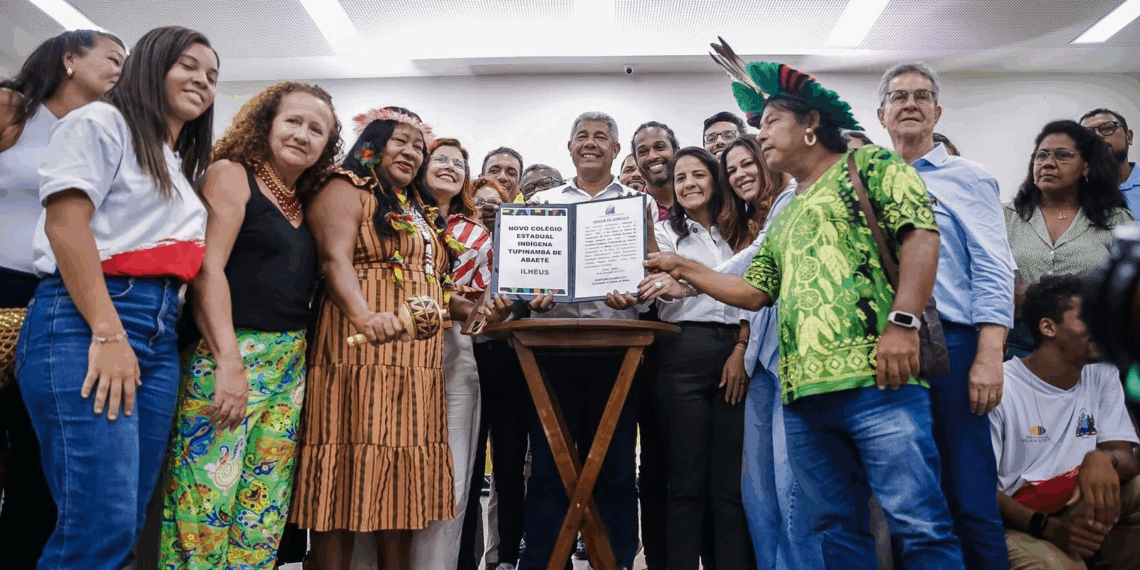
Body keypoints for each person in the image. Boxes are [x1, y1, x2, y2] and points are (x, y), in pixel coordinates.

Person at [647, 57, 966, 568]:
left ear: (812, 124)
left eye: (771, 122)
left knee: (919, 523)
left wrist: (902, 322)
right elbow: (753, 291)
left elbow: (921, 236)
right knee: (833, 530)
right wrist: (681, 265)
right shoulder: (789, 210)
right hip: (803, 398)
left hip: (879, 384)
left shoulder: (873, 167)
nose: (760, 136)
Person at [15, 26, 217, 570]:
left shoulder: (174, 162)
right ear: (150, 66)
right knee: (97, 526)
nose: (202, 80)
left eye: (212, 76)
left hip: (156, 327)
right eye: (189, 65)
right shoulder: (101, 120)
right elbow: (65, 226)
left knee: (123, 522)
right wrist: (107, 331)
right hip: (88, 318)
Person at [288, 106, 507, 570]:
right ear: (371, 144)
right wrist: (365, 316)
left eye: (417, 146)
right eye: (399, 141)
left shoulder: (415, 206)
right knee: (344, 483)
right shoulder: (346, 187)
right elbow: (334, 260)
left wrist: (477, 307)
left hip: (417, 363)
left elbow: (435, 285)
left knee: (402, 489)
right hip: (358, 353)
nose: (411, 152)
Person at [157, 81, 338, 570]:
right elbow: (207, 270)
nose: (303, 134)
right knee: (204, 510)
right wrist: (229, 363)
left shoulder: (307, 199)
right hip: (229, 354)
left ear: (327, 145)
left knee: (262, 511)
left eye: (316, 129)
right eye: (293, 121)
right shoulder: (232, 174)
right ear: (267, 124)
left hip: (288, 364)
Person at [879, 62, 1016, 570]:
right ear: (882, 114)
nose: (910, 104)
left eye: (921, 96)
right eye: (899, 97)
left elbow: (995, 268)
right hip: (889, 351)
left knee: (969, 493)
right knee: (910, 500)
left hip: (956, 348)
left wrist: (989, 355)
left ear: (937, 111)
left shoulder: (970, 178)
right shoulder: (872, 182)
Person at [0, 28, 125, 569]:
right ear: (70, 59)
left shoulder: (106, 130)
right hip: (1, 280)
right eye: (113, 57)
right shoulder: (13, 109)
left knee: (38, 450)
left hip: (56, 296)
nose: (122, 68)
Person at [520, 111, 652, 570]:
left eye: (601, 137)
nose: (591, 143)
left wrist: (635, 290)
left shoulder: (640, 203)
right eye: (582, 136)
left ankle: (613, 561)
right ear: (570, 147)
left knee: (615, 468)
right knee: (548, 470)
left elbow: (654, 271)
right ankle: (539, 562)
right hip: (550, 353)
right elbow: (527, 270)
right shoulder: (544, 201)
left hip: (618, 351)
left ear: (617, 150)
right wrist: (529, 294)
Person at [640, 147, 755, 569]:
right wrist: (675, 281)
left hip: (737, 354)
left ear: (716, 179)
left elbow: (754, 295)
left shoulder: (742, 229)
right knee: (686, 484)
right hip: (681, 354)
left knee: (729, 487)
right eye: (680, 178)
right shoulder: (663, 233)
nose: (688, 184)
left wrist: (741, 349)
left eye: (698, 175)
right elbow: (658, 281)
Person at [991, 275, 1140, 569]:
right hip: (1022, 523)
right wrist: (1047, 528)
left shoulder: (1102, 372)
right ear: (1048, 328)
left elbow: (1125, 457)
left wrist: (1102, 458)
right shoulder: (1001, 387)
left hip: (1080, 506)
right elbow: (981, 490)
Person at [410, 138, 500, 568]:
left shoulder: (476, 233)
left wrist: (486, 305)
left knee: (455, 474)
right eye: (440, 159)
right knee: (405, 468)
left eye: (459, 163)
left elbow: (483, 298)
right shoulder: (397, 216)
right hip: (402, 345)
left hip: (456, 349)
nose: (450, 166)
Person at [1004, 120, 1134, 356]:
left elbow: (1130, 288)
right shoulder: (1004, 217)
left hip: (1091, 345)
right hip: (1015, 345)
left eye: (1062, 155)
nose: (1048, 163)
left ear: (1086, 166)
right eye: (1041, 156)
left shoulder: (1116, 221)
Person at [717, 136, 790, 252]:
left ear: (766, 162)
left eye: (747, 164)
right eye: (731, 171)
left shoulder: (790, 200)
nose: (739, 174)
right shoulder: (743, 224)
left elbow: (755, 254)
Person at [1080, 109, 1137, 216]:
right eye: (1087, 133)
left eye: (1107, 128)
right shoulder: (1073, 193)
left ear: (1128, 137)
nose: (1097, 136)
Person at [632, 121, 679, 222]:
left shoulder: (698, 200)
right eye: (643, 152)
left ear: (676, 152)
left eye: (660, 147)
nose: (652, 156)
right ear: (636, 161)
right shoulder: (631, 211)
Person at [478, 147, 525, 229]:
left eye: (511, 173)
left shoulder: (526, 225)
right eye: (494, 171)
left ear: (519, 187)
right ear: (480, 179)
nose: (502, 177)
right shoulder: (458, 219)